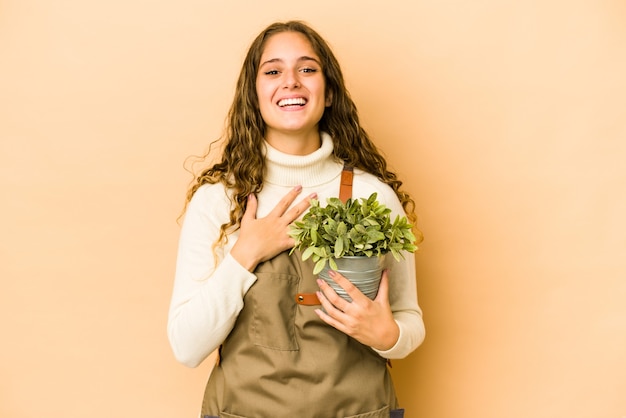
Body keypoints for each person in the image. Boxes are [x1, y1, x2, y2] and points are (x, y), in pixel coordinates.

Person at [167, 20, 425, 418]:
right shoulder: (219, 202)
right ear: (253, 95)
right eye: (272, 71)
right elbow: (186, 347)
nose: (291, 82)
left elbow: (409, 319)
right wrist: (245, 253)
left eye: (307, 69)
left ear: (330, 93)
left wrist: (388, 336)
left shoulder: (373, 197)